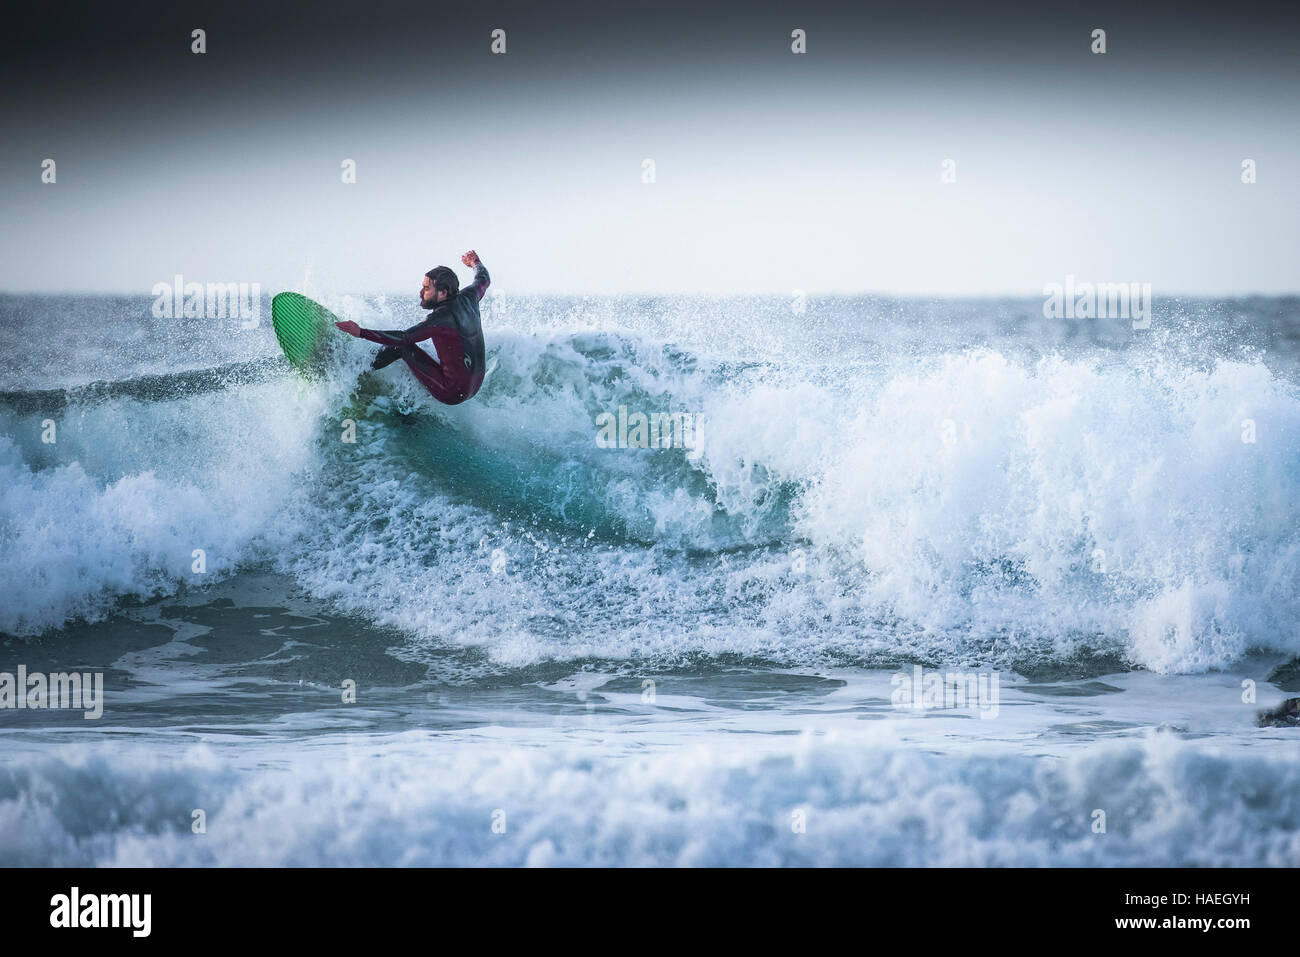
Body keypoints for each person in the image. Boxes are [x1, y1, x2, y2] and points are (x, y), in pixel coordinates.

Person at [334, 250, 490, 405]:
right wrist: (475, 262)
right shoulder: (470, 296)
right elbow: (483, 278)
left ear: (443, 293)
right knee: (416, 350)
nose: (421, 293)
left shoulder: (440, 318)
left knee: (401, 348)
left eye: (427, 289)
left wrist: (360, 332)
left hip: (452, 392)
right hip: (474, 386)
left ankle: (351, 369)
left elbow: (403, 338)